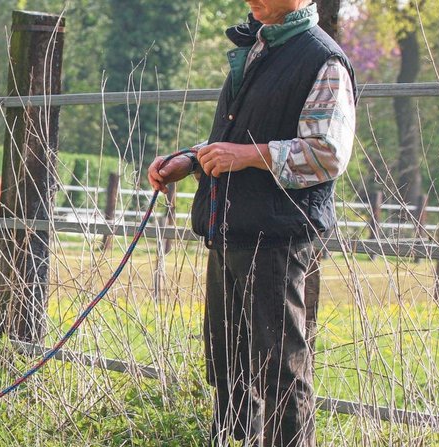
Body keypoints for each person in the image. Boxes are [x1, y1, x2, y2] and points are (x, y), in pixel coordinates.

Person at [146, 1, 356, 445]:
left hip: (276, 235)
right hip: (230, 227)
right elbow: (237, 139)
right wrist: (190, 160)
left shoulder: (324, 59)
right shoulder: (258, 45)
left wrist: (247, 156)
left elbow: (327, 153)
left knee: (280, 369)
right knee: (229, 366)